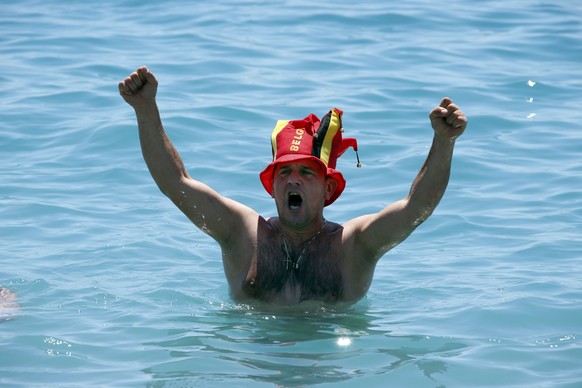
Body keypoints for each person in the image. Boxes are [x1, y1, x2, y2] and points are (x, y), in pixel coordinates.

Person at [119, 66, 467, 306]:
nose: (293, 180)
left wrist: (444, 142)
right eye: (283, 173)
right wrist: (145, 109)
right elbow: (175, 183)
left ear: (329, 190)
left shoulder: (354, 245)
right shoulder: (243, 235)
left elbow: (415, 208)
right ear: (271, 187)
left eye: (307, 173)